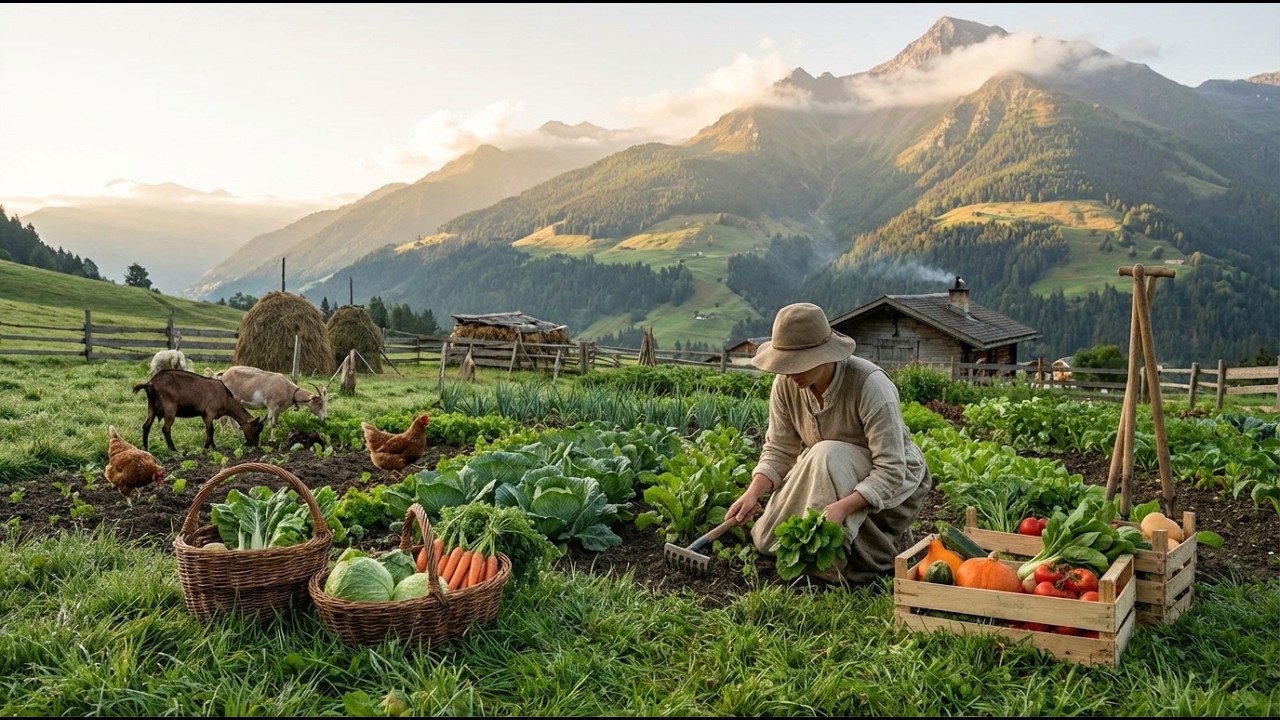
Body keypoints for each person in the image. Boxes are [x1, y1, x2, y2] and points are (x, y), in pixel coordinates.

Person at [726, 302, 932, 583]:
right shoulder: (787, 385)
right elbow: (779, 449)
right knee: (765, 539)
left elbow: (891, 468)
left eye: (798, 363)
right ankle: (833, 543)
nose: (790, 373)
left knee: (825, 454)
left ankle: (855, 555)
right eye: (784, 365)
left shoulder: (870, 385)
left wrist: (842, 508)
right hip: (828, 469)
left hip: (893, 482)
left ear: (825, 355)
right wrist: (752, 494)